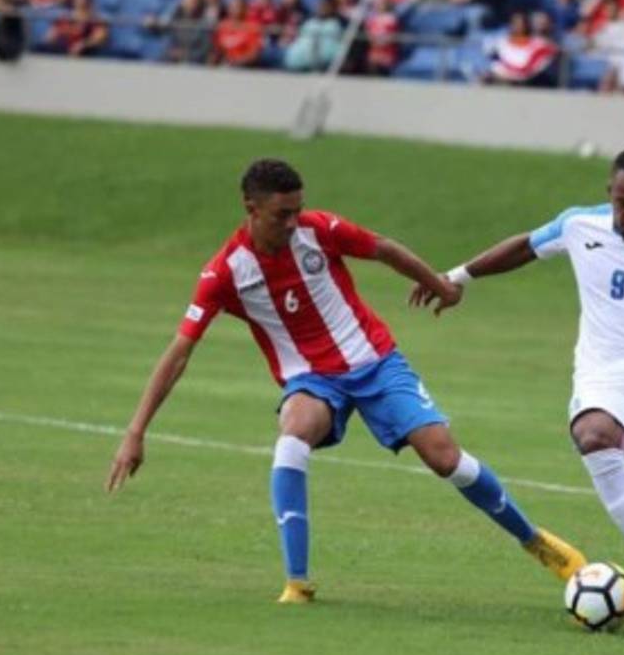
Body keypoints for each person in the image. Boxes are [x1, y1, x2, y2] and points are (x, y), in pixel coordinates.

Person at [106, 160, 587, 604]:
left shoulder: (319, 230)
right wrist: (135, 431)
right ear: (251, 208)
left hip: (375, 361)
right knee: (294, 430)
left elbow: (385, 248)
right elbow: (179, 352)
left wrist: (440, 285)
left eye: (297, 210)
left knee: (444, 457)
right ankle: (297, 583)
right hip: (312, 380)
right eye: (282, 214)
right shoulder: (224, 273)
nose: (293, 222)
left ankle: (535, 541)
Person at [416, 149, 624, 632]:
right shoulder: (578, 225)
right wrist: (456, 277)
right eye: (623, 203)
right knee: (594, 437)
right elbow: (524, 246)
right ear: (609, 193)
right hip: (604, 373)